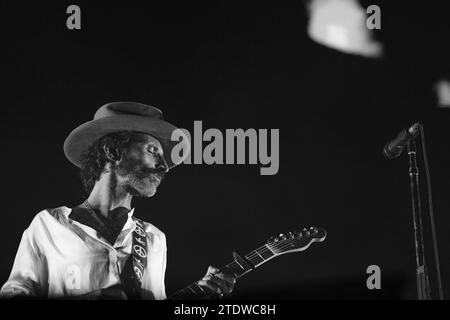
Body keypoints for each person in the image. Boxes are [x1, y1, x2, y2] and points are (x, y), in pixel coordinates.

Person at [0, 101, 236, 299]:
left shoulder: (155, 239)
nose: (164, 166)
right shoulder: (48, 226)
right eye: (153, 150)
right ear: (112, 151)